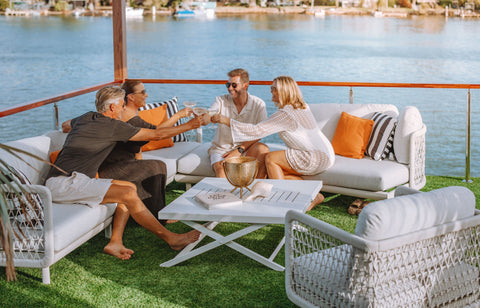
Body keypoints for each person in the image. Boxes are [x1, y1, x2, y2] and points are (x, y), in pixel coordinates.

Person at [46, 86, 206, 260]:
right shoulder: (112, 126)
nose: (124, 108)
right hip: (66, 183)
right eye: (122, 105)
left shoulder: (86, 117)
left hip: (65, 181)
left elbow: (65, 125)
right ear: (113, 108)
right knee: (128, 193)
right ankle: (171, 239)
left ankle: (115, 242)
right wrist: (189, 125)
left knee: (129, 187)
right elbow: (157, 135)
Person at [62, 80, 191, 224]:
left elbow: (65, 125)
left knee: (154, 166)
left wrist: (80, 128)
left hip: (116, 164)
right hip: (107, 168)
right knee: (154, 166)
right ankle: (157, 215)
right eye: (142, 92)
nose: (146, 94)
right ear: (130, 97)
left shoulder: (91, 118)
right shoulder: (119, 123)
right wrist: (185, 121)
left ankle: (152, 212)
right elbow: (156, 134)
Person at [212, 75, 335, 210]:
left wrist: (226, 120)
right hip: (326, 154)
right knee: (277, 171)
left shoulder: (285, 114)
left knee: (270, 158)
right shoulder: (301, 106)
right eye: (271, 88)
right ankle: (314, 195)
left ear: (284, 91)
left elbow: (256, 130)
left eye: (274, 89)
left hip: (315, 157)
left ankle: (282, 202)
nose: (271, 91)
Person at [208, 68, 270, 179]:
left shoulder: (259, 104)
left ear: (245, 85)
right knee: (221, 171)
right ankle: (225, 195)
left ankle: (256, 191)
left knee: (263, 149)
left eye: (234, 85)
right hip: (222, 149)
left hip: (245, 149)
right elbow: (209, 114)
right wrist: (205, 118)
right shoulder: (220, 100)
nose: (230, 88)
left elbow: (261, 132)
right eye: (228, 85)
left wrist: (239, 150)